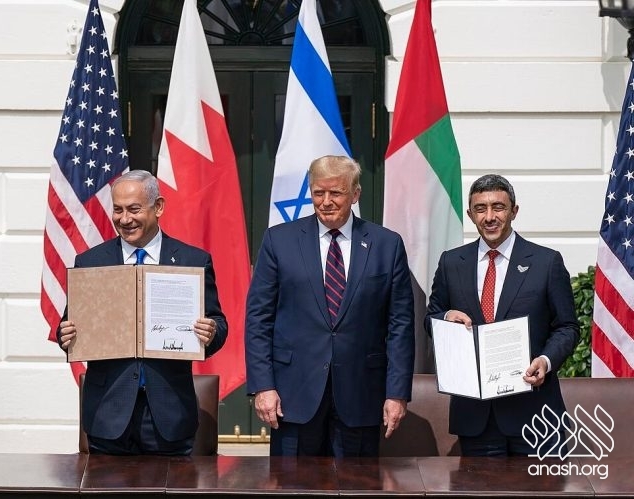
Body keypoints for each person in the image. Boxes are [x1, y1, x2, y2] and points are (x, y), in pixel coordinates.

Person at [244, 155, 415, 457]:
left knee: (356, 483)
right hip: (292, 397)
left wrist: (397, 393)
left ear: (355, 194)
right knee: (293, 483)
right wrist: (263, 386)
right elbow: (259, 319)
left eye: (335, 193)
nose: (325, 202)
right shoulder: (279, 241)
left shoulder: (386, 245)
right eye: (318, 193)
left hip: (361, 396)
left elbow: (400, 326)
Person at [58, 169, 227, 456]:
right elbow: (68, 325)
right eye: (118, 210)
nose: (125, 219)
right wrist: (66, 335)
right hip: (108, 414)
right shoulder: (91, 262)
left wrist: (211, 332)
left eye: (134, 209)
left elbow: (218, 323)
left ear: (158, 207)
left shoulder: (192, 260)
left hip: (170, 415)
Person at [425, 174, 579, 457]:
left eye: (498, 207)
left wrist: (546, 361)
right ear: (470, 215)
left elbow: (567, 327)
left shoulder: (546, 262)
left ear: (514, 211)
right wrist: (446, 317)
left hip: (536, 415)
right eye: (480, 209)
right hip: (476, 417)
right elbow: (431, 317)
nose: (489, 217)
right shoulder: (451, 262)